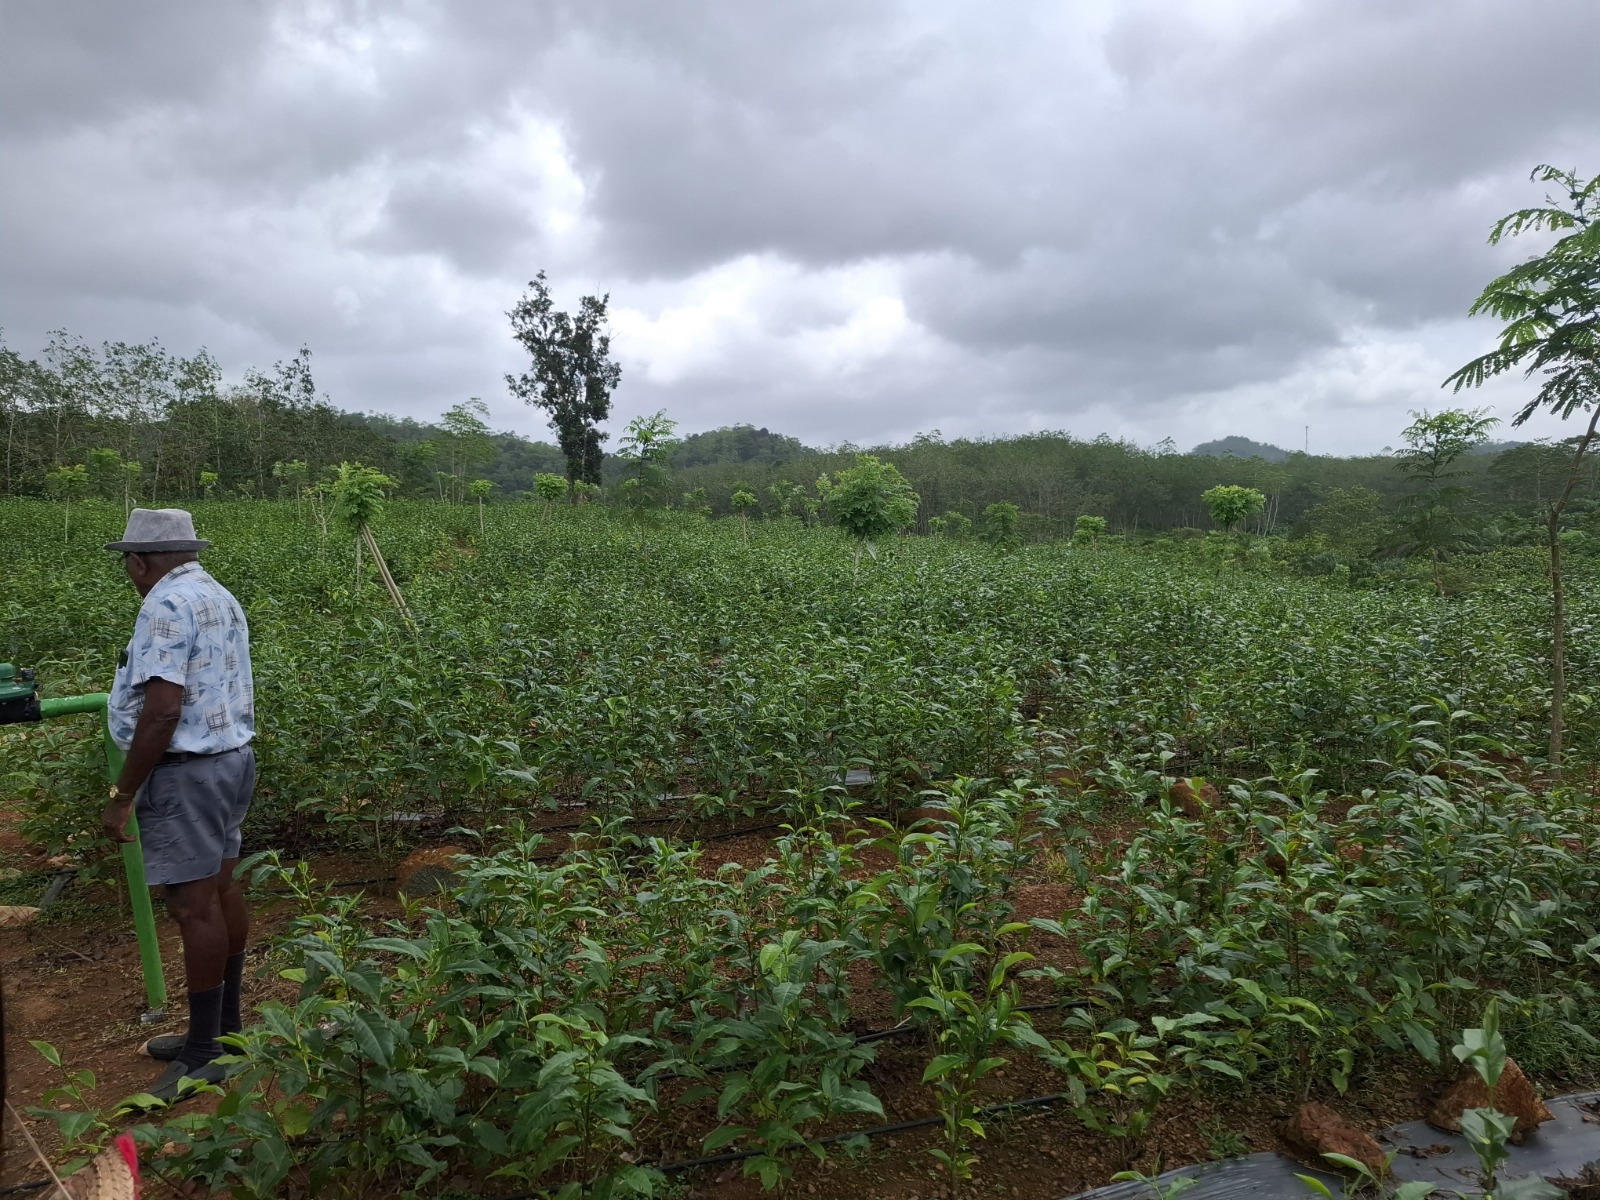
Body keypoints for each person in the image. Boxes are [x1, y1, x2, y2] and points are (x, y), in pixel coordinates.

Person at [101, 508, 255, 1103]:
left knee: (195, 907)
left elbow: (163, 709)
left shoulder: (163, 605)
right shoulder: (216, 591)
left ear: (138, 561)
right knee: (222, 889)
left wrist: (123, 794)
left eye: (128, 566)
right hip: (231, 760)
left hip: (188, 773)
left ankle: (204, 1051)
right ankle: (226, 1029)